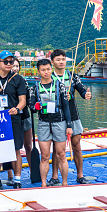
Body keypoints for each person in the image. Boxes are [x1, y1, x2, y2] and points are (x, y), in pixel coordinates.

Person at [48, 49, 92, 186]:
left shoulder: (72, 76)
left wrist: (86, 95)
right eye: (58, 59)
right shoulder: (49, 78)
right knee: (57, 148)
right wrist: (60, 97)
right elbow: (46, 97)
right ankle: (55, 177)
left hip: (73, 115)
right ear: (52, 62)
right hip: (56, 116)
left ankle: (80, 175)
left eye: (63, 59)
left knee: (76, 145)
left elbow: (81, 89)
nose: (61, 62)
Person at [0, 50, 27, 189]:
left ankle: (17, 180)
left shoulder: (18, 78)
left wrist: (18, 109)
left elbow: (23, 101)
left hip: (12, 118)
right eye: (6, 61)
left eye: (11, 61)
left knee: (16, 150)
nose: (9, 64)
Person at [30, 59, 73, 187]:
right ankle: (43, 184)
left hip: (59, 122)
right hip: (43, 123)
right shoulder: (35, 88)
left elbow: (66, 106)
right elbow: (31, 107)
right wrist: (35, 107)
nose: (46, 72)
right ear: (38, 72)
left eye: (48, 69)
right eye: (43, 70)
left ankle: (64, 184)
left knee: (61, 155)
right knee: (44, 156)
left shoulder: (59, 86)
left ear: (51, 69)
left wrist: (69, 125)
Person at [0, 57, 33, 186]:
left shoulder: (21, 80)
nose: (13, 67)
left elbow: (27, 100)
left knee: (27, 146)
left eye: (15, 66)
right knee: (10, 147)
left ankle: (32, 171)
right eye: (11, 65)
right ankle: (10, 174)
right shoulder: (2, 79)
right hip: (10, 117)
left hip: (23, 116)